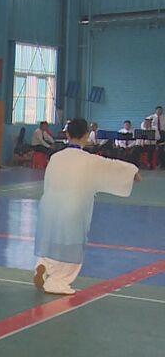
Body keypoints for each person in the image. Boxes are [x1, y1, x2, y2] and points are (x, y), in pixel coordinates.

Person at [34, 118, 140, 295]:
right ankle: (58, 282)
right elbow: (111, 166)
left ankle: (44, 264)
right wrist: (132, 172)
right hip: (74, 209)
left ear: (67, 135)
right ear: (86, 135)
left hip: (49, 206)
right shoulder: (89, 160)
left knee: (53, 239)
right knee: (73, 245)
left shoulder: (55, 157)